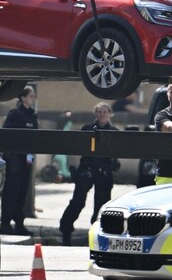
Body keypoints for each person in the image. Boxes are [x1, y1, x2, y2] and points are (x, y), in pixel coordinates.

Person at [59, 102, 120, 245]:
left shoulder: (114, 131)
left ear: (110, 114)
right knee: (77, 202)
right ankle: (66, 230)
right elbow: (79, 148)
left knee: (101, 204)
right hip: (87, 168)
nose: (101, 114)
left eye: (104, 111)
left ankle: (98, 233)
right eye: (99, 111)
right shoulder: (87, 129)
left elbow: (116, 154)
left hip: (104, 170)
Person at [0, 85, 38, 236]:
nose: (33, 98)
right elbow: (7, 135)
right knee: (12, 192)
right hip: (14, 160)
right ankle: (5, 223)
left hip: (26, 159)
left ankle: (19, 223)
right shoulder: (15, 114)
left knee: (23, 192)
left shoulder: (32, 115)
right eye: (30, 96)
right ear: (23, 98)